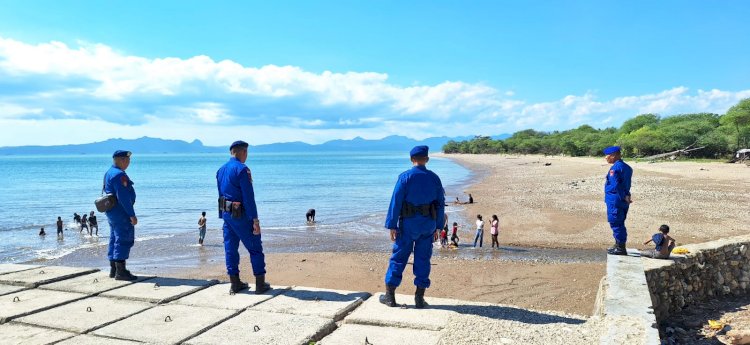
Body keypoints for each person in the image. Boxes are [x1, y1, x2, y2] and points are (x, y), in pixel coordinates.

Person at [380, 145, 445, 309]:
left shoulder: (405, 177)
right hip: (428, 225)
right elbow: (440, 205)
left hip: (408, 224)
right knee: (423, 259)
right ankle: (419, 298)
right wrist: (438, 227)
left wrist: (392, 225)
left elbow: (395, 202)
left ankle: (390, 296)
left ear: (411, 159)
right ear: (427, 160)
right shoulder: (434, 178)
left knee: (399, 257)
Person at [217, 140, 271, 294]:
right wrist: (255, 220)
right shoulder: (242, 170)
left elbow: (220, 195)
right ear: (243, 152)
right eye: (246, 153)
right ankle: (260, 284)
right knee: (255, 248)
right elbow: (248, 197)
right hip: (242, 216)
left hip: (227, 215)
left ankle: (235, 283)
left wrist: (223, 216)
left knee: (230, 249)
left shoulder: (220, 170)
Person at [104, 150, 138, 281]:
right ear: (121, 160)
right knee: (123, 239)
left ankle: (114, 269)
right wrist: (132, 214)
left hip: (112, 211)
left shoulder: (109, 172)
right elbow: (123, 197)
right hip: (121, 211)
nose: (128, 163)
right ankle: (121, 272)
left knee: (114, 238)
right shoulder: (119, 175)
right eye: (127, 160)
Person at [603, 146, 633, 255]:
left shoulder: (615, 169)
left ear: (614, 155)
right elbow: (627, 184)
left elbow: (616, 185)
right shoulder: (627, 167)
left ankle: (621, 248)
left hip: (616, 200)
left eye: (607, 156)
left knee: (616, 223)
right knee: (619, 222)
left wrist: (623, 196)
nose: (605, 158)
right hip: (623, 199)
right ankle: (617, 245)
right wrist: (627, 195)